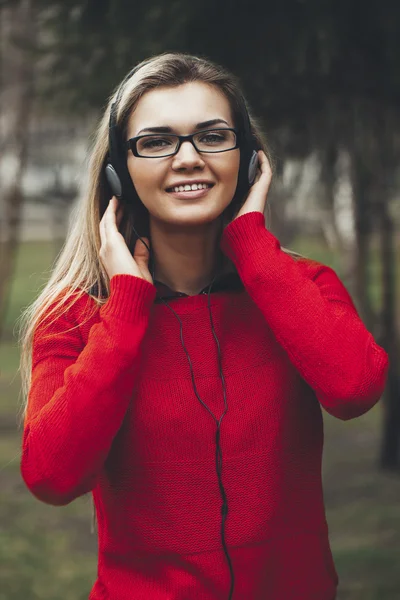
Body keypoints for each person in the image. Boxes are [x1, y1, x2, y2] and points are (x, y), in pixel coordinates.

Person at [18, 52, 389, 600]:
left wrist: (255, 250)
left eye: (213, 136)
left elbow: (355, 389)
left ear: (249, 158)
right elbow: (52, 477)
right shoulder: (73, 317)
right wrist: (126, 306)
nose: (188, 158)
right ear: (118, 170)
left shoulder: (301, 286)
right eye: (156, 141)